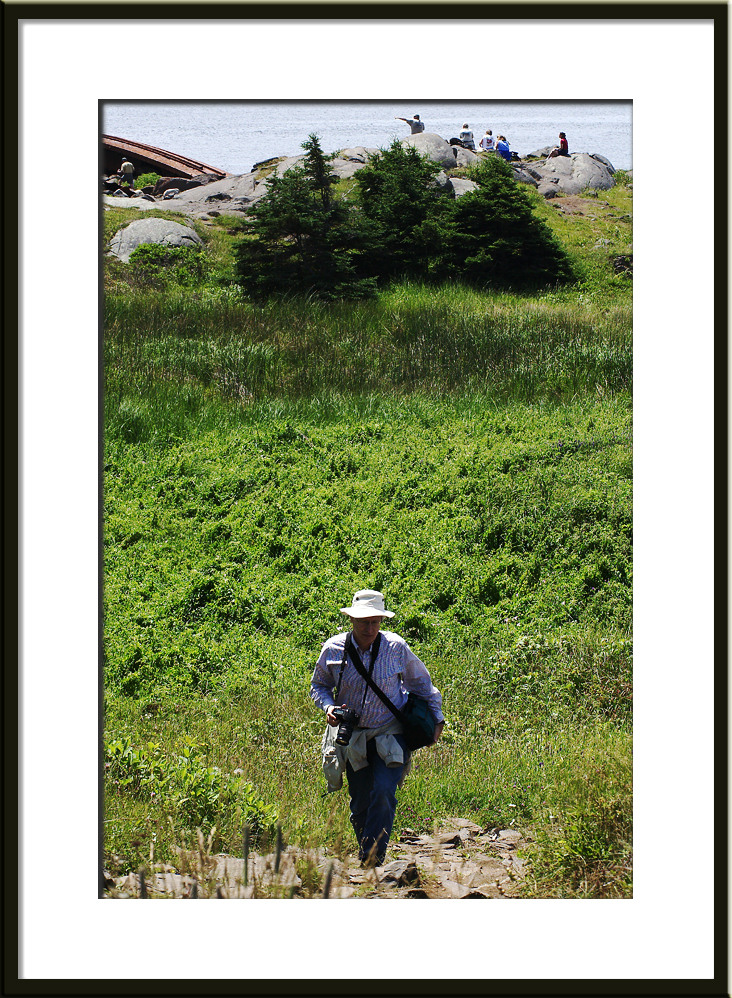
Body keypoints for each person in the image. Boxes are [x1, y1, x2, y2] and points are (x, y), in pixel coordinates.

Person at [311, 589, 444, 867]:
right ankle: (368, 847)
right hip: (353, 738)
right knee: (360, 802)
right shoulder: (333, 649)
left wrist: (437, 719)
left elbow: (421, 683)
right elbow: (319, 685)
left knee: (384, 791)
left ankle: (373, 858)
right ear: (352, 621)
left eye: (375, 621)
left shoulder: (396, 648)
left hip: (390, 735)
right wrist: (328, 707)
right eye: (364, 622)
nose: (370, 628)